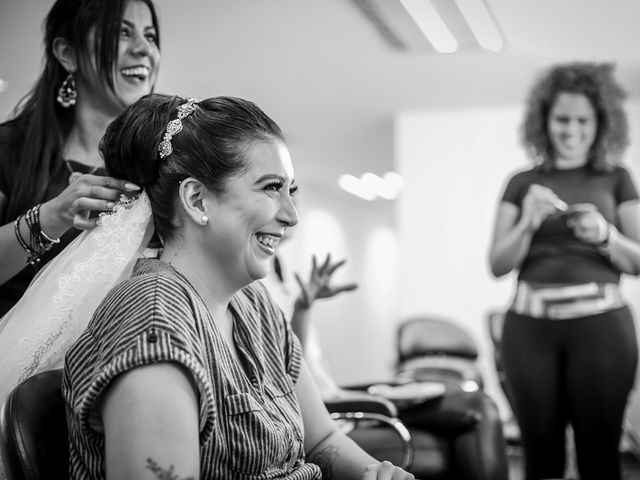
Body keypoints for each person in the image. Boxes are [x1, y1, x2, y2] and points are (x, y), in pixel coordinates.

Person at [62, 94, 415, 480]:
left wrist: (375, 473)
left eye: (290, 190)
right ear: (197, 200)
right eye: (270, 187)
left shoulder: (255, 304)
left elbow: (321, 441)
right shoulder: (153, 322)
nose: (291, 215)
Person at [488, 62, 640, 480]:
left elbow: (639, 259)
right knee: (541, 460)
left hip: (603, 331)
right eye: (561, 119)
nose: (571, 130)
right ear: (544, 121)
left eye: (582, 120)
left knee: (600, 459)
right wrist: (527, 223)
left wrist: (606, 236)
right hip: (529, 331)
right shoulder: (521, 183)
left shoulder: (617, 178)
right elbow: (498, 264)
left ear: (600, 123)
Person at [0, 0, 161, 317]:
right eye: (122, 33)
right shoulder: (9, 147)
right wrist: (52, 216)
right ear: (67, 53)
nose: (144, 49)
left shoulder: (164, 157)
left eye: (151, 36)